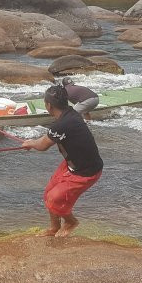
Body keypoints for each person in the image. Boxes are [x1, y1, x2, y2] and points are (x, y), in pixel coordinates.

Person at [21, 84, 103, 237]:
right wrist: (32, 142)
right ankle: (54, 228)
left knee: (54, 198)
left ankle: (71, 222)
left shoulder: (62, 124)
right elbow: (48, 137)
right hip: (72, 165)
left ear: (49, 105)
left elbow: (43, 145)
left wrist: (31, 144)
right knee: (49, 192)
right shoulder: (70, 114)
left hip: (86, 171)